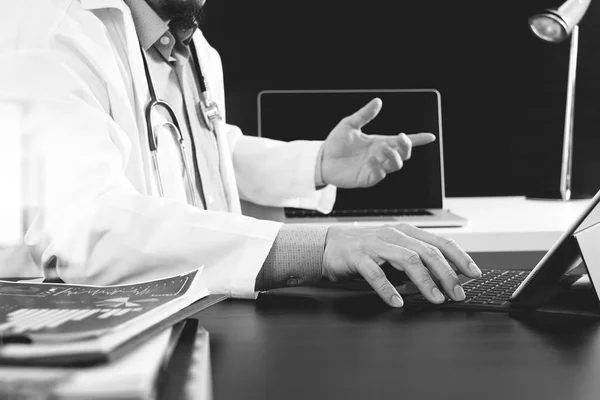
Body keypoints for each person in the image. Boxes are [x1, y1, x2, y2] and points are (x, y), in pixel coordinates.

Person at [0, 0, 481, 308]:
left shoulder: (189, 42)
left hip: (180, 305)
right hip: (70, 332)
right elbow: (87, 226)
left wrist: (315, 164)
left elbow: (198, 148)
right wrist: (319, 246)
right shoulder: (48, 29)